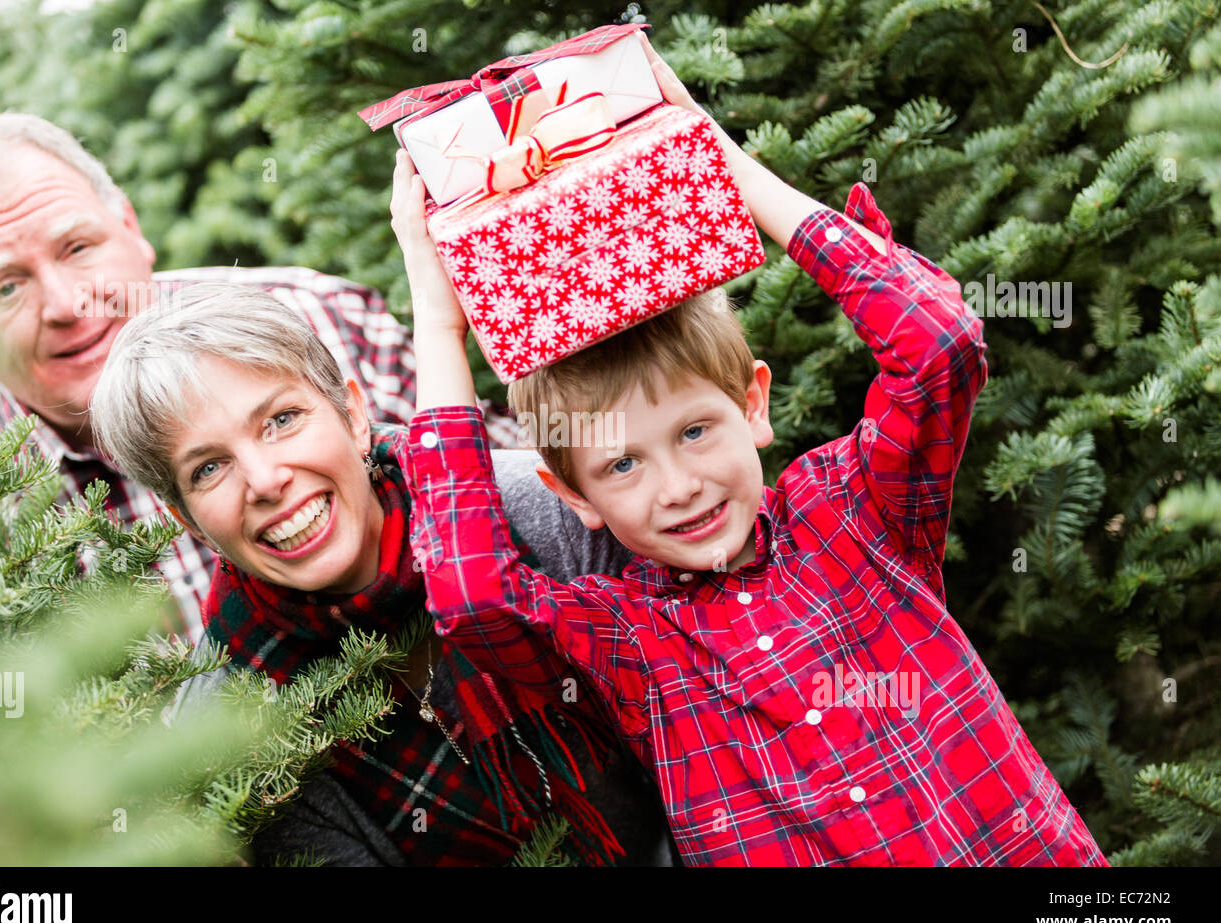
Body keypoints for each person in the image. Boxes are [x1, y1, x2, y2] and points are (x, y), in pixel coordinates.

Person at [393, 36, 1110, 865]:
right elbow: (473, 598)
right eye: (622, 464)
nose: (680, 486)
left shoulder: (854, 513)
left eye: (695, 432)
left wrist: (719, 159)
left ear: (754, 405)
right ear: (573, 493)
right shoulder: (628, 641)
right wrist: (438, 315)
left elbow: (938, 345)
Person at [89, 282, 677, 866]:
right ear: (186, 519)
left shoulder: (541, 512)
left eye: (282, 419)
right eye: (210, 467)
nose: (265, 480)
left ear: (353, 414)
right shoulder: (233, 723)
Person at [0, 112, 523, 649]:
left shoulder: (319, 319)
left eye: (78, 246)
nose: (66, 302)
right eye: (5, 287)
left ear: (129, 226)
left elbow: (526, 498)